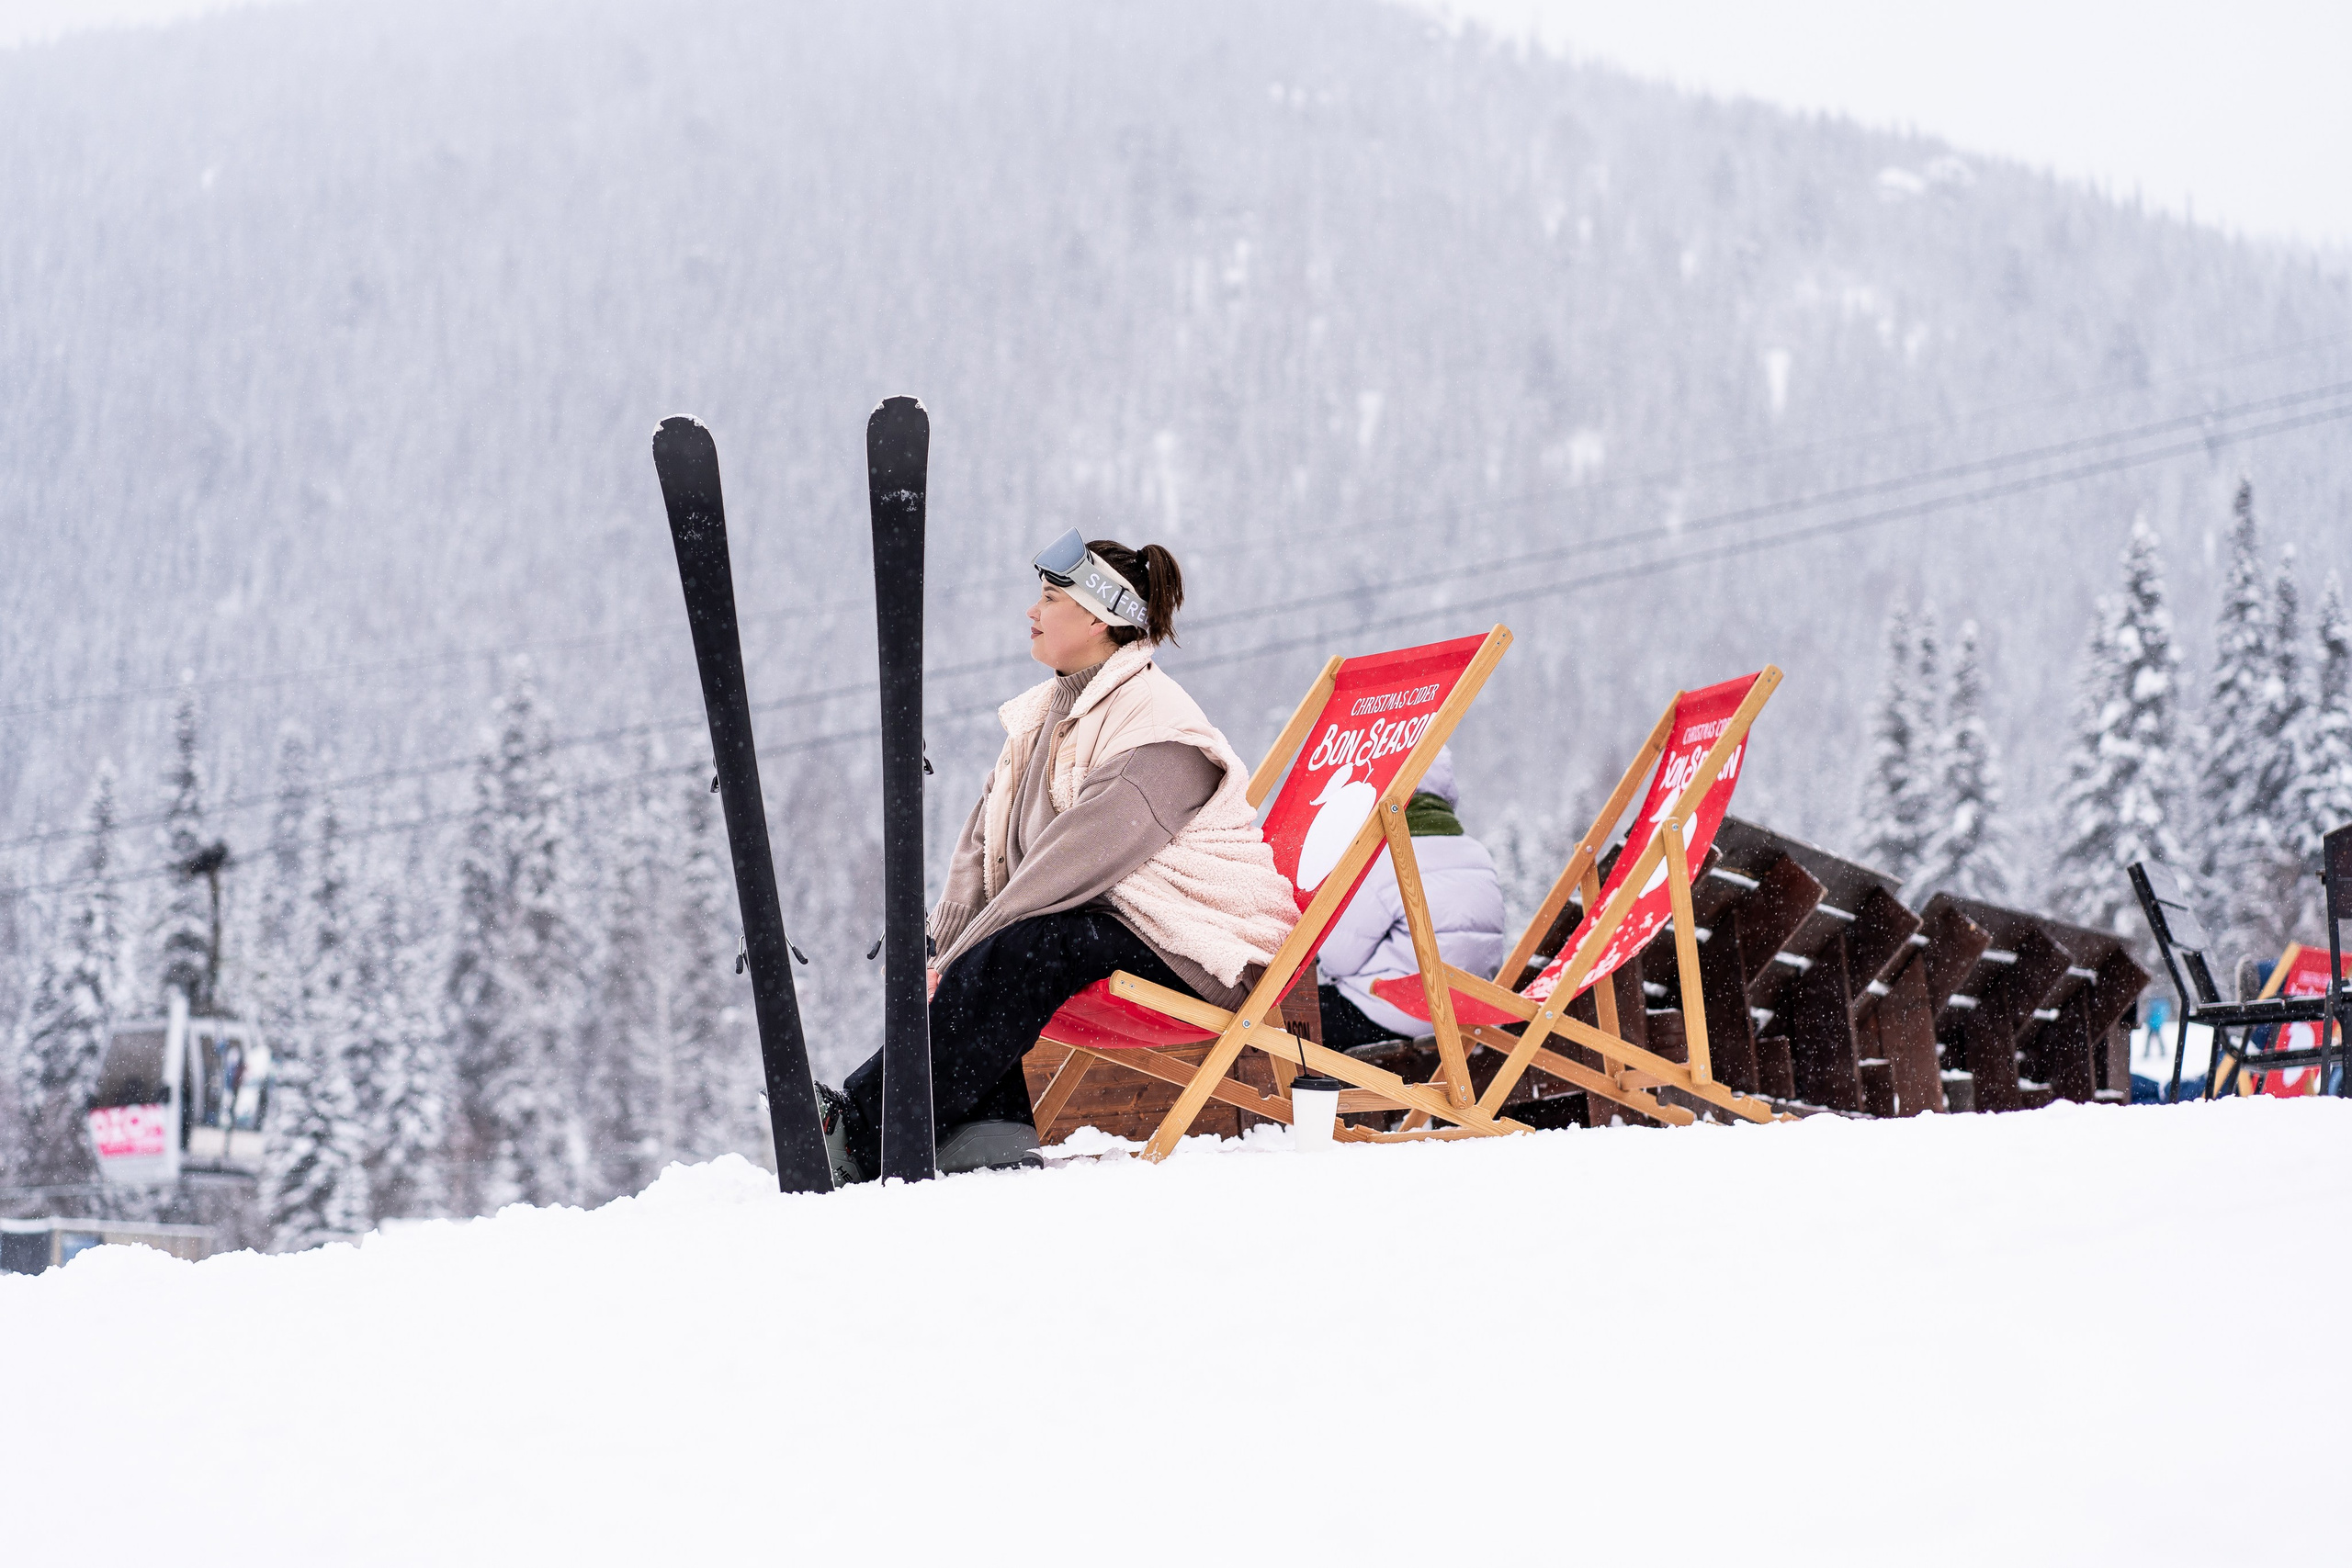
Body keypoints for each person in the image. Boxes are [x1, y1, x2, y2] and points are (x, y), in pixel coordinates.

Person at [818, 530, 1301, 1182]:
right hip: (1117, 921)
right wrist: (941, 942)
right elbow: (984, 840)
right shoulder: (1047, 715)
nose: (1031, 611)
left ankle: (867, 1122)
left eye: (1049, 597)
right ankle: (986, 1123)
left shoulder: (1157, 727)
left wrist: (964, 954)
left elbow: (1068, 864)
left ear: (1100, 619)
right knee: (1028, 942)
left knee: (1033, 946)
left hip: (1203, 939)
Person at [1312, 747, 1506, 1051]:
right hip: (1469, 1015)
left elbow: (1339, 959)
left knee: (1291, 1016)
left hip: (1397, 1016)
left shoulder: (1383, 857)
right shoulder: (1477, 853)